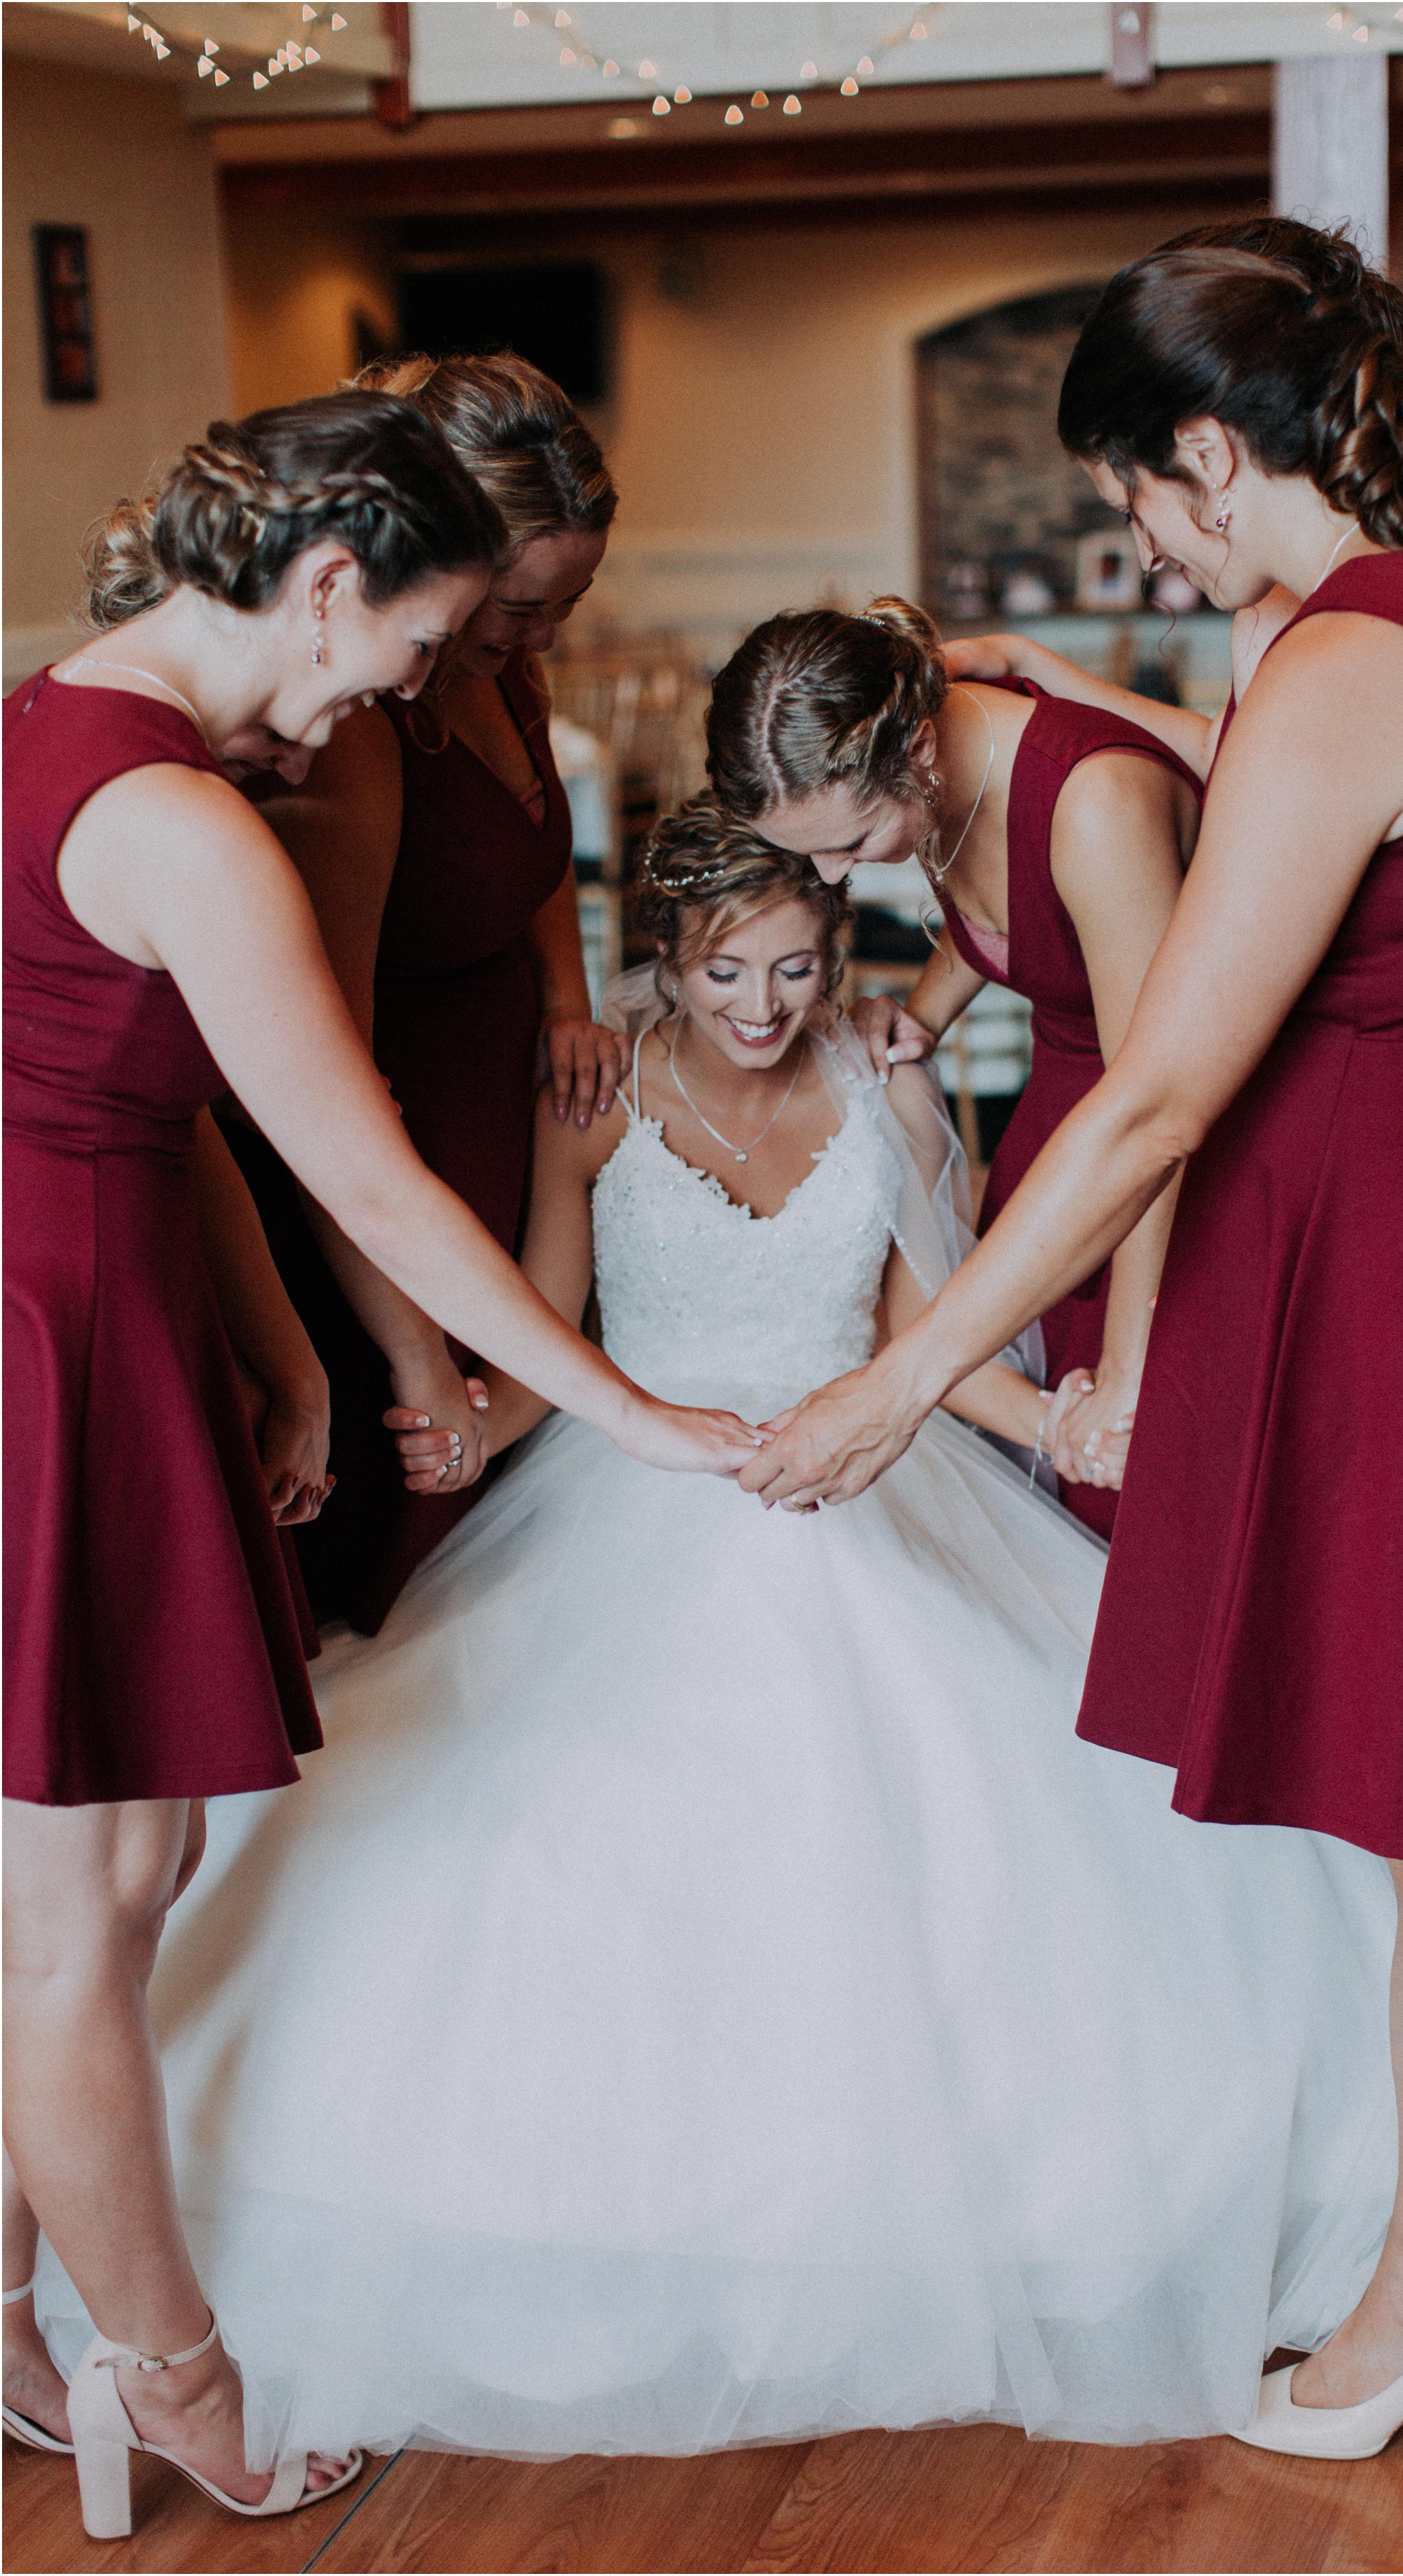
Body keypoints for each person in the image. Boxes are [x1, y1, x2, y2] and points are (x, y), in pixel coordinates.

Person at [111, 810, 1403, 2461]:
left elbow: (915, 1336)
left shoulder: (881, 1082)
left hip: (869, 1474)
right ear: (664, 957)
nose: (763, 1003)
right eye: (727, 970)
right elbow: (550, 1324)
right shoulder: (592, 1098)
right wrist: (467, 1426)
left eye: (798, 967)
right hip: (634, 1485)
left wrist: (1058, 1415)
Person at [739, 219, 1403, 2457]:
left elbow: (1157, 1086)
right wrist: (1149, 711)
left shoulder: (1353, 650)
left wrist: (903, 1371)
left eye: (1144, 493)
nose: (1145, 540)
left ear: (1203, 448)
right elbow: (1319, 812)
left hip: (1374, 1239)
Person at [3, 397, 759, 2540]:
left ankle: (2, 2308)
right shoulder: (186, 825)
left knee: (129, 1873)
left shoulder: (41, 723)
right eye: (405, 646)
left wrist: (253, 1350)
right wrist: (620, 1401)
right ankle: (184, 2383)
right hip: (49, 1327)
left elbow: (146, 1110)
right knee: (72, 1905)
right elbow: (373, 1177)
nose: (393, 696)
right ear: (321, 581)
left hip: (95, 1295)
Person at [89, 351, 626, 1633]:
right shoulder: (358, 739)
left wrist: (565, 995)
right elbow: (332, 1097)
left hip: (505, 1119)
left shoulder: (504, 670)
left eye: (570, 602)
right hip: (390, 1164)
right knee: (417, 1593)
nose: (540, 635)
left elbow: (533, 836)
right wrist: (414, 1351)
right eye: (517, 607)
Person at [703, 595, 1201, 1536]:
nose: (841, 879)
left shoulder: (1095, 802)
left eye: (850, 845)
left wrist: (1132, 1369)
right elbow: (1005, 907)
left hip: (1167, 1157)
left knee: (1137, 1479)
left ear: (918, 755)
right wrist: (922, 1017)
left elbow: (1158, 1108)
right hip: (1066, 1119)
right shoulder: (935, 766)